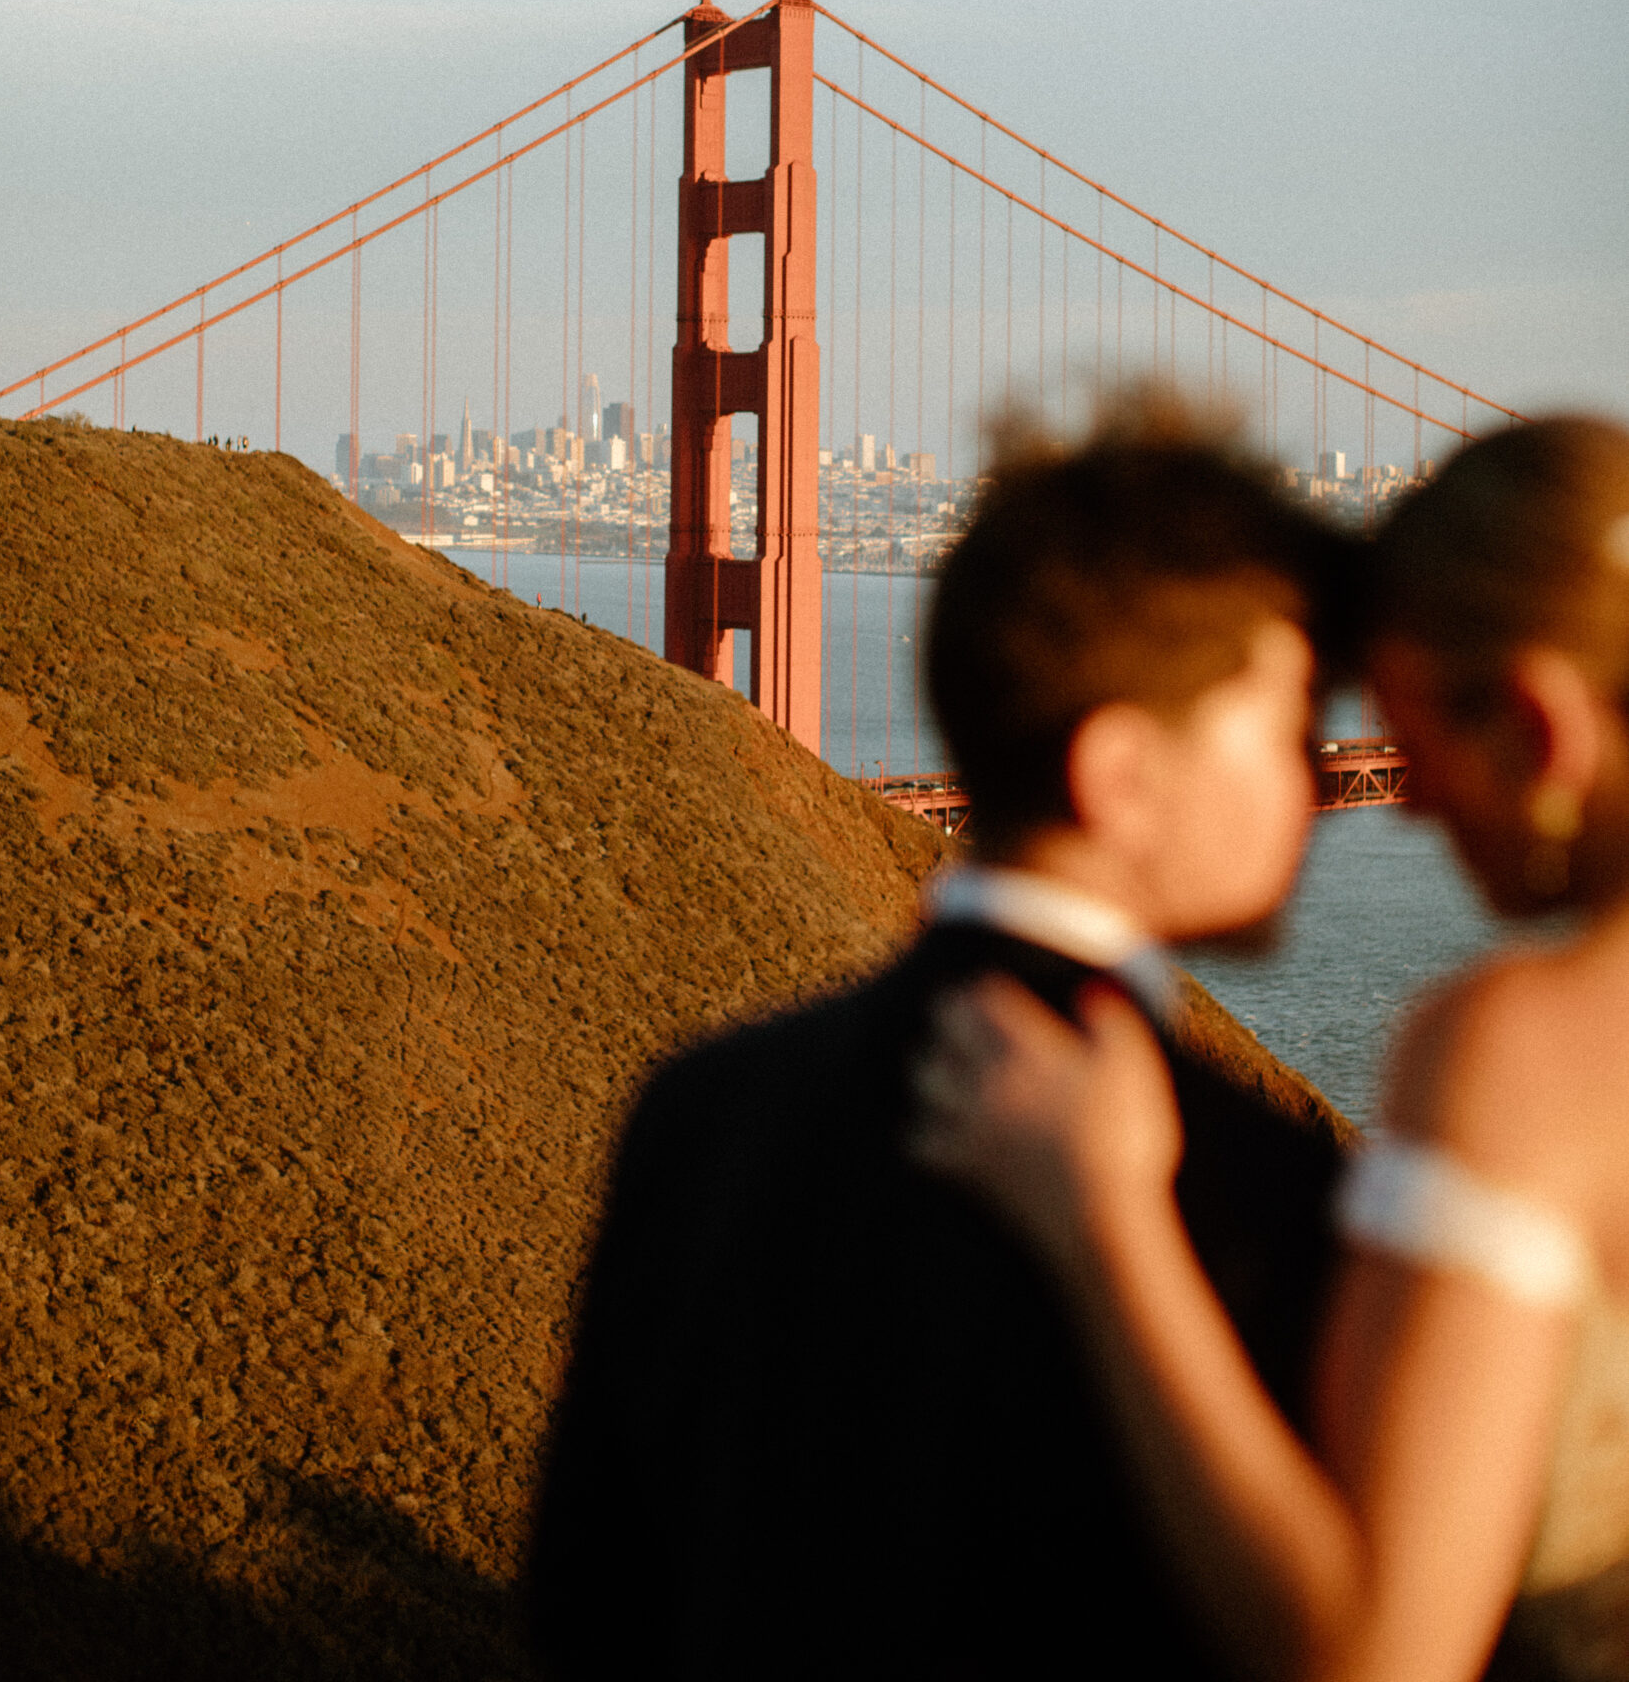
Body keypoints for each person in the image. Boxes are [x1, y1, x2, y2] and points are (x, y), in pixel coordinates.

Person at [527, 400, 1356, 1680]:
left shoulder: (699, 1111)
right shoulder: (1267, 1190)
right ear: (1122, 773)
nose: (1316, 776)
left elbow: (587, 1608)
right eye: (1290, 721)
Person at [912, 414, 1629, 1682]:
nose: (1394, 796)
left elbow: (1372, 1661)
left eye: (1413, 740)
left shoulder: (1527, 1050)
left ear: (1542, 721)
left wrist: (1106, 1223)